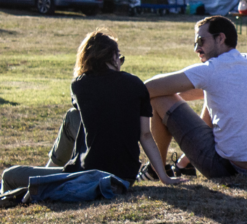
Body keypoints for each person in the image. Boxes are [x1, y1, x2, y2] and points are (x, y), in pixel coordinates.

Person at [1, 31, 184, 194]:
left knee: (9, 175)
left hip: (89, 175)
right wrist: (164, 177)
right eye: (119, 58)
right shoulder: (136, 84)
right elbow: (145, 135)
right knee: (73, 117)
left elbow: (91, 111)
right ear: (113, 57)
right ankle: (50, 174)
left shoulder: (79, 86)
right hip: (126, 176)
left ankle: (49, 173)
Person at [145, 16, 247, 179]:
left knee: (158, 98)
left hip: (226, 168)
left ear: (221, 38)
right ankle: (184, 163)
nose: (197, 49)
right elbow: (206, 92)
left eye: (200, 41)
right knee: (213, 93)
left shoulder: (212, 69)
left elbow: (148, 88)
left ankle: (155, 170)